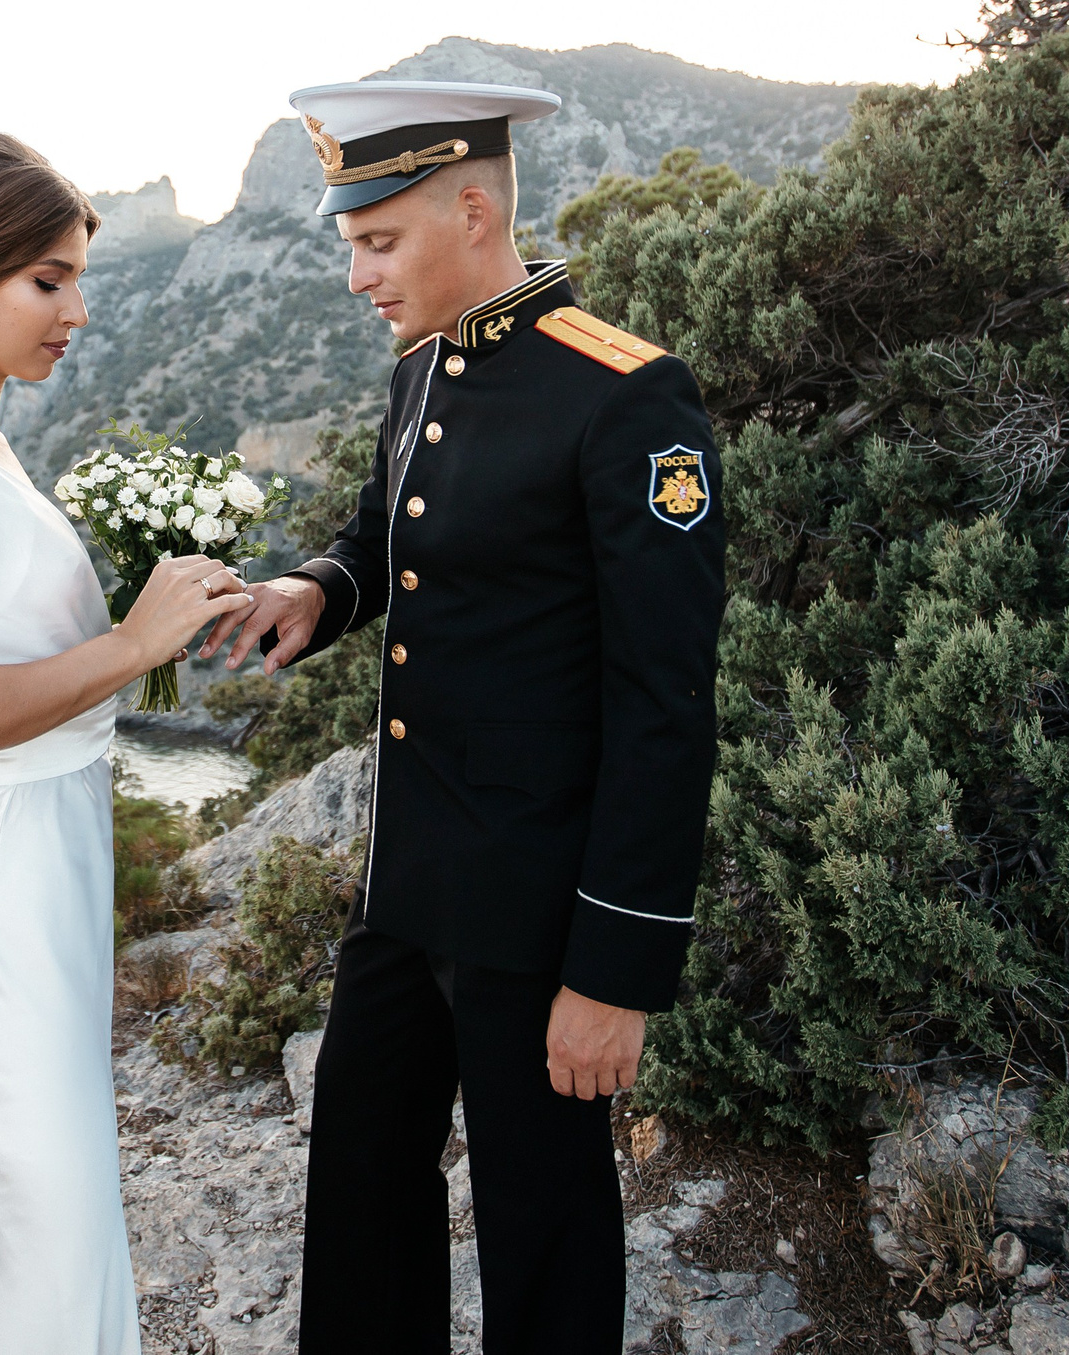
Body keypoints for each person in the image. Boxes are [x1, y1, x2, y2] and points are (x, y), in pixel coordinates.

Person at [205, 80, 728, 1352]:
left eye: (379, 242)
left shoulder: (625, 396)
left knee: (542, 1228)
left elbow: (664, 705)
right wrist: (314, 590)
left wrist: (613, 971)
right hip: (408, 882)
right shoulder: (419, 370)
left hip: (540, 910)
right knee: (361, 1188)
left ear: (475, 211)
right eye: (353, 246)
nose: (358, 278)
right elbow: (381, 538)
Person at [0, 132, 254, 1355]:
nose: (77, 311)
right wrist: (130, 646)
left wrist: (170, 623)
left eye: (78, 279)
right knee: (23, 1229)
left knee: (46, 1226)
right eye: (48, 281)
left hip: (50, 880)